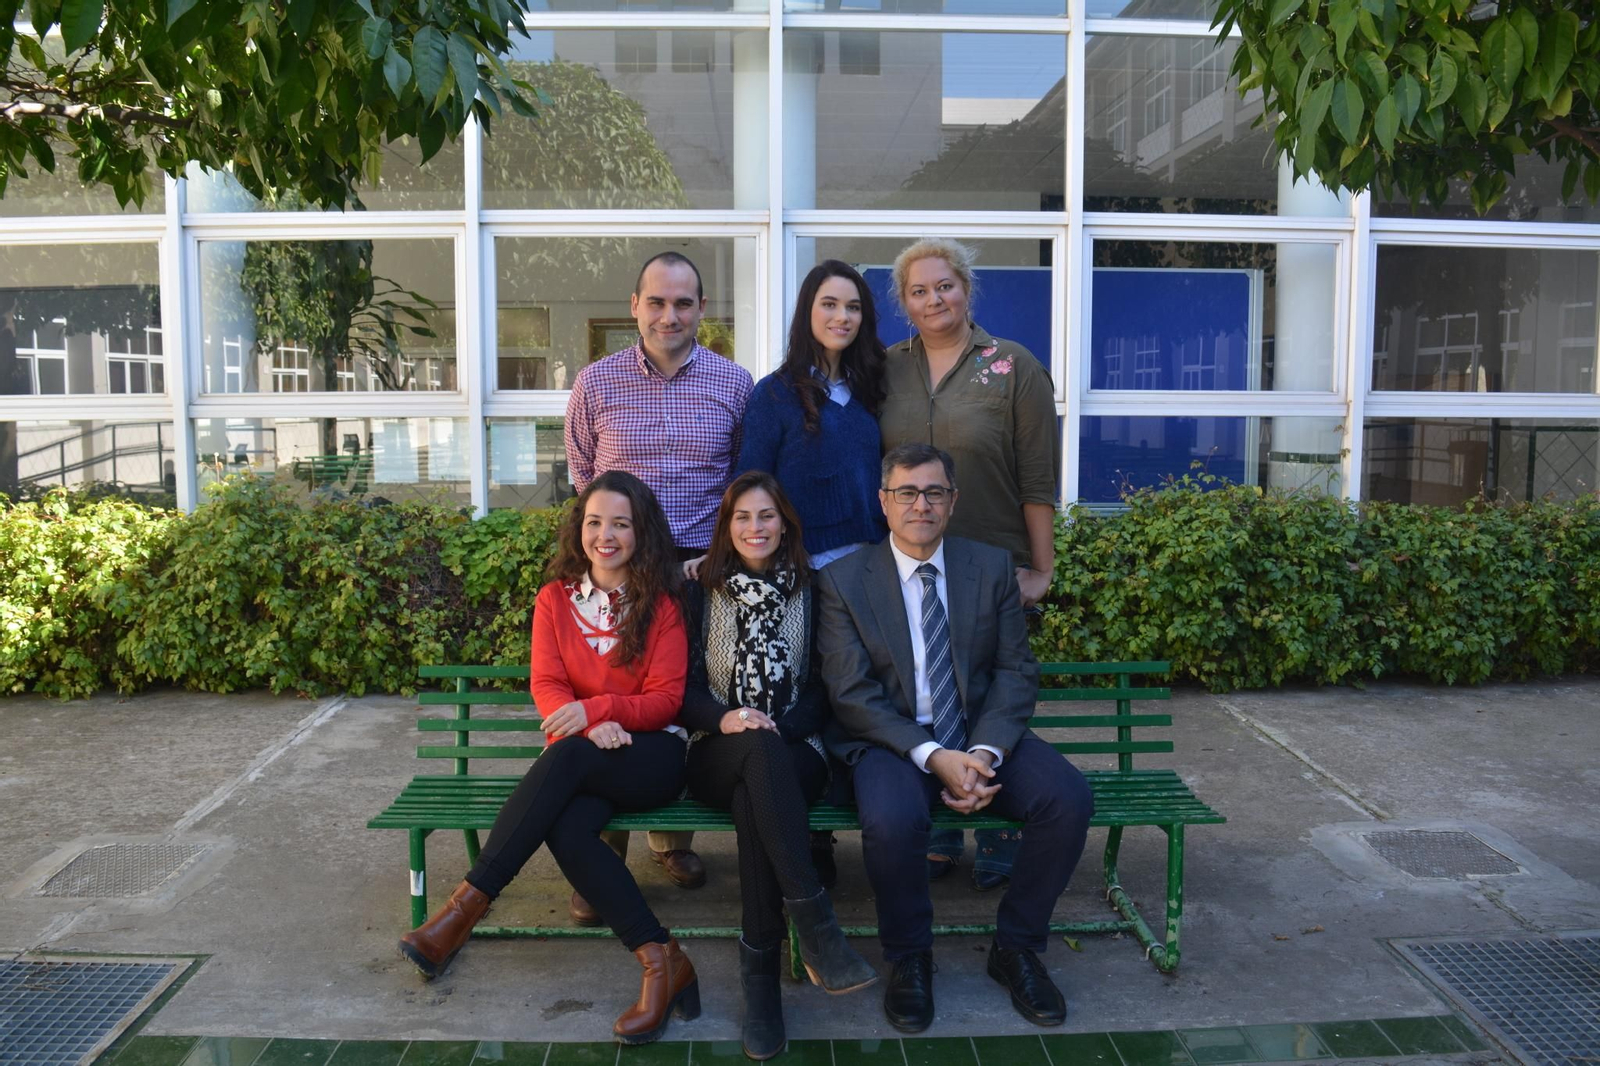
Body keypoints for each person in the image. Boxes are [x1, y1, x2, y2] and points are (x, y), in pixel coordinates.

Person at [399, 471, 700, 1046]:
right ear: (578, 528)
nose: (604, 535)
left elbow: (666, 698)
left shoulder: (661, 604)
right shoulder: (554, 600)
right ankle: (661, 959)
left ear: (641, 533)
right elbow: (548, 683)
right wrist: (587, 723)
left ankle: (464, 910)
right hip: (585, 755)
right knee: (567, 826)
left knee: (567, 761)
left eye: (620, 523)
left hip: (654, 755)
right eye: (594, 522)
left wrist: (598, 714)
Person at [815, 443, 1094, 1033]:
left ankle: (1016, 948)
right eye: (907, 492)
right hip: (891, 741)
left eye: (934, 492)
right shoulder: (844, 580)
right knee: (892, 821)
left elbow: (1016, 671)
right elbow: (850, 693)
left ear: (953, 501)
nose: (922, 503)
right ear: (884, 502)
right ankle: (910, 957)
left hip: (976, 735)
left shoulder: (988, 567)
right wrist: (935, 756)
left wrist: (984, 753)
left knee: (1066, 798)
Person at [564, 251, 753, 914]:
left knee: (690, 701)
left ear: (701, 309)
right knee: (616, 695)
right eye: (657, 302)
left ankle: (670, 839)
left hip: (706, 570)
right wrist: (616, 556)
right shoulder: (597, 383)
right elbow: (586, 476)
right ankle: (604, 852)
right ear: (636, 305)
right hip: (620, 571)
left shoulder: (734, 384)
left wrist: (716, 559)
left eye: (683, 303)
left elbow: (742, 483)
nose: (669, 315)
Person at [879, 238, 1059, 892]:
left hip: (993, 568)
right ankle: (941, 824)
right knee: (924, 693)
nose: (935, 299)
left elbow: (1038, 477)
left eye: (945, 286)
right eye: (919, 290)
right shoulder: (887, 370)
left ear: (967, 289)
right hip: (913, 566)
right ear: (904, 302)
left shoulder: (1011, 367)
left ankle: (1002, 826)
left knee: (991, 697)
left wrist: (1041, 569)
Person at [678, 471, 879, 1060]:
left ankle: (761, 990)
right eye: (742, 516)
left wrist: (777, 725)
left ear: (785, 523)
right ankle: (817, 933)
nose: (754, 527)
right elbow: (682, 686)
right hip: (714, 748)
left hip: (797, 747)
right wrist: (725, 719)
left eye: (766, 516)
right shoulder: (700, 589)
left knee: (757, 789)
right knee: (751, 765)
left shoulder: (816, 589)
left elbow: (826, 686)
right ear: (727, 525)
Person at [732, 259, 889, 886]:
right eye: (829, 305)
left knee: (858, 692)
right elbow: (750, 481)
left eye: (852, 307)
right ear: (808, 312)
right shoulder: (774, 394)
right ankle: (813, 834)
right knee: (802, 697)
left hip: (864, 572)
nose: (841, 317)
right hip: (794, 574)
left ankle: (874, 814)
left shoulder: (871, 389)